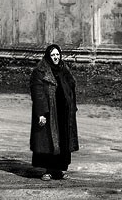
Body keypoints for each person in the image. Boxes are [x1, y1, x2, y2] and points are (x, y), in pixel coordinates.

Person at [29, 44, 79, 181]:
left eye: (57, 55)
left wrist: (72, 107)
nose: (56, 57)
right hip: (49, 111)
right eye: (53, 55)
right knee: (48, 141)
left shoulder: (64, 69)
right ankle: (47, 170)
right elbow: (38, 94)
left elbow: (71, 87)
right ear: (48, 56)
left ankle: (60, 169)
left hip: (64, 112)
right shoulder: (40, 71)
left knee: (63, 141)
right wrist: (41, 114)